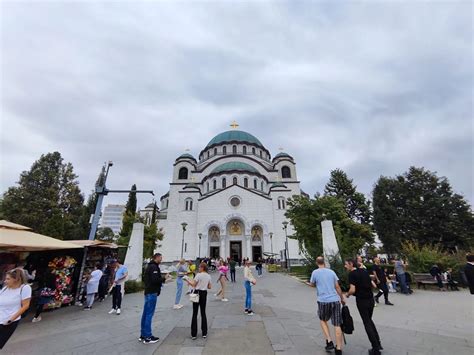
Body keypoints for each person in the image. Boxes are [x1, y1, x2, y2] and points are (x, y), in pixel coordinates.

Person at [306, 257, 344, 355]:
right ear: (324, 262)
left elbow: (312, 284)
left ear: (316, 262)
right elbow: (337, 286)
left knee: (323, 320)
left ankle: (329, 340)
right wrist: (342, 298)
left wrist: (308, 284)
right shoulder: (331, 272)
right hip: (335, 300)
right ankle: (339, 349)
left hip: (323, 301)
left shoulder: (315, 272)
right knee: (337, 324)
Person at [345, 259, 382, 355]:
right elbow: (373, 285)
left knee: (367, 323)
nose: (345, 266)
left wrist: (347, 294)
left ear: (351, 264)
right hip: (370, 300)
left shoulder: (352, 274)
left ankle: (375, 349)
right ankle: (378, 343)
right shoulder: (364, 271)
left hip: (362, 301)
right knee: (369, 320)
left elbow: (352, 290)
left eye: (346, 264)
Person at [0, 269, 32, 349]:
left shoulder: (25, 288)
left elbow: (25, 306)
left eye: (8, 279)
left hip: (7, 322)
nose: (5, 281)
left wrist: (11, 320)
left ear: (16, 279)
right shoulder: (5, 288)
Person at [139, 253, 164, 344]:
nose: (161, 259)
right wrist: (164, 278)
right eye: (160, 258)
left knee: (145, 314)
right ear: (156, 258)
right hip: (152, 292)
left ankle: (143, 334)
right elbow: (155, 280)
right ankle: (148, 337)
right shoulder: (154, 267)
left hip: (148, 292)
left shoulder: (150, 266)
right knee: (149, 314)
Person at [184, 262, 212, 340]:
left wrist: (187, 280)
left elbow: (193, 284)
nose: (198, 268)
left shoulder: (198, 275)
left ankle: (194, 334)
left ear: (202, 268)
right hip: (204, 293)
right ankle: (204, 333)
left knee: (195, 313)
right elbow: (209, 287)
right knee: (203, 312)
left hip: (197, 293)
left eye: (199, 267)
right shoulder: (208, 276)